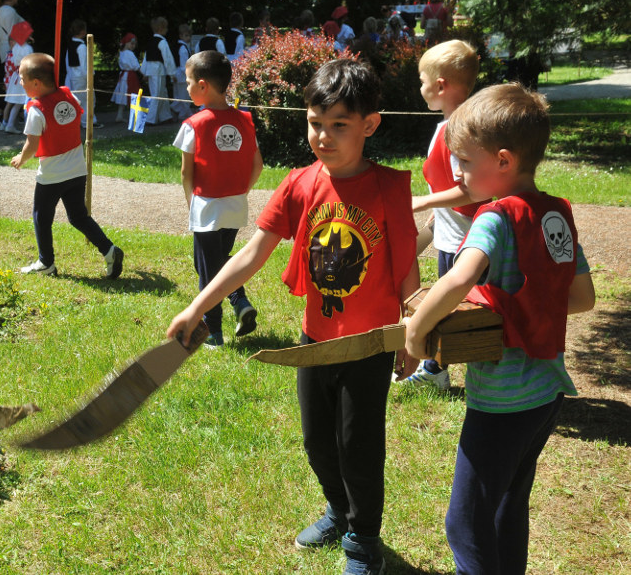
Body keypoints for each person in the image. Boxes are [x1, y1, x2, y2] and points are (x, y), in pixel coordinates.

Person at [166, 59, 419, 575]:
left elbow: (407, 271)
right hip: (314, 340)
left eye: (339, 125)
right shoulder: (299, 183)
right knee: (317, 441)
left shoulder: (390, 188)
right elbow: (250, 254)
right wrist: (199, 306)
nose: (323, 137)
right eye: (315, 123)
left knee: (358, 447)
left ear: (369, 124)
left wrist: (411, 335)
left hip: (370, 345)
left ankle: (363, 542)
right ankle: (340, 511)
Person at [404, 83, 596, 574]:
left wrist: (415, 331)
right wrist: (527, 308)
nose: (458, 172)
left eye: (466, 161)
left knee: (465, 523)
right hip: (546, 393)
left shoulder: (493, 217)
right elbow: (581, 298)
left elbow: (459, 277)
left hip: (502, 401)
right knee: (509, 506)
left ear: (504, 161)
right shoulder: (557, 213)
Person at [404, 40, 483, 389]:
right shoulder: (452, 126)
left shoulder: (458, 129)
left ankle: (442, 371)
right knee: (447, 310)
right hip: (453, 239)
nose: (419, 88)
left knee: (457, 311)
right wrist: (426, 231)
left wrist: (422, 202)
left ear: (440, 84)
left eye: (422, 80)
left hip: (469, 243)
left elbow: (470, 190)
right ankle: (435, 370)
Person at [172, 51, 262, 347]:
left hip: (206, 206)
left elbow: (187, 173)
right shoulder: (246, 120)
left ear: (202, 86)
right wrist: (242, 191)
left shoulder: (192, 125)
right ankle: (240, 301)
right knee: (216, 262)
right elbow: (257, 164)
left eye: (187, 82)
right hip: (235, 205)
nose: (185, 88)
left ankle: (214, 333)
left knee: (207, 272)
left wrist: (191, 205)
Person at [10, 53, 124, 278]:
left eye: (22, 79)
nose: (20, 83)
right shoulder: (70, 96)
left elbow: (31, 145)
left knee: (41, 218)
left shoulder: (36, 110)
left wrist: (21, 159)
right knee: (78, 216)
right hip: (77, 170)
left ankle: (46, 263)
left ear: (36, 83)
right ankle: (109, 250)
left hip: (52, 175)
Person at [0, 0, 24, 124]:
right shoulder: (10, 12)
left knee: (11, 83)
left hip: (4, 49)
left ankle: (7, 112)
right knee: (14, 83)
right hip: (12, 51)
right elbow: (14, 34)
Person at [63, 19, 100, 128]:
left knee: (77, 100)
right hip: (82, 78)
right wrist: (90, 77)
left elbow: (66, 63)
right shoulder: (82, 47)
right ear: (83, 32)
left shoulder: (70, 45)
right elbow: (85, 66)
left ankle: (78, 122)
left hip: (73, 77)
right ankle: (88, 122)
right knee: (88, 100)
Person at [142, 17, 176, 125]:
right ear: (161, 29)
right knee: (157, 94)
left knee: (163, 93)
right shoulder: (162, 42)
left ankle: (166, 116)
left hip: (151, 70)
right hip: (158, 71)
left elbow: (145, 58)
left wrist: (144, 72)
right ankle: (150, 119)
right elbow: (168, 59)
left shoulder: (150, 41)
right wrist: (172, 74)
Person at [3, 20, 34, 134]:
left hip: (16, 75)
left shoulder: (15, 47)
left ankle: (10, 124)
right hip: (25, 75)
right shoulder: (28, 48)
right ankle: (28, 126)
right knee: (24, 102)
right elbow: (30, 62)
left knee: (18, 102)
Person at [111, 32, 141, 123]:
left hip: (124, 76)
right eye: (131, 43)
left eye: (134, 44)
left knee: (123, 96)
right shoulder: (129, 54)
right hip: (130, 76)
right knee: (134, 95)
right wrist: (144, 74)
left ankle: (120, 115)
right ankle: (135, 117)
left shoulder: (122, 53)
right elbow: (136, 66)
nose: (133, 46)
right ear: (126, 43)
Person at [170, 24, 193, 120]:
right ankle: (184, 113)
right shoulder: (183, 48)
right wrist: (190, 75)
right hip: (181, 75)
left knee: (179, 96)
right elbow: (184, 65)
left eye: (189, 36)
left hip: (176, 74)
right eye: (186, 36)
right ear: (181, 36)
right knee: (184, 97)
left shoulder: (178, 46)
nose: (188, 38)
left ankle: (181, 113)